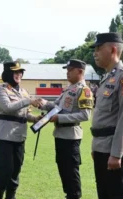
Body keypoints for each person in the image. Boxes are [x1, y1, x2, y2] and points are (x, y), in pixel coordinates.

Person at [90, 32, 123, 199]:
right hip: (102, 148)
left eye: (98, 48)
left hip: (115, 151)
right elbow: (101, 118)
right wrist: (95, 147)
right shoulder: (107, 78)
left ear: (112, 50)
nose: (94, 53)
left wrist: (117, 153)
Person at [39, 59, 93, 199]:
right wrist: (42, 103)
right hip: (60, 135)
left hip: (71, 136)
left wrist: (59, 118)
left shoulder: (83, 90)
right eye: (67, 70)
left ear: (80, 71)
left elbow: (85, 115)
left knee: (71, 172)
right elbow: (56, 107)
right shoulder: (69, 89)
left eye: (70, 70)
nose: (67, 73)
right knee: (64, 170)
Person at [0, 61, 43, 199]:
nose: (18, 74)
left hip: (19, 137)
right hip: (4, 137)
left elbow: (25, 114)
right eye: (15, 72)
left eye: (20, 72)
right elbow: (7, 107)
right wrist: (28, 101)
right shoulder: (1, 90)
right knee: (5, 171)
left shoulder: (24, 92)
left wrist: (35, 119)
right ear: (8, 73)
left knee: (15, 171)